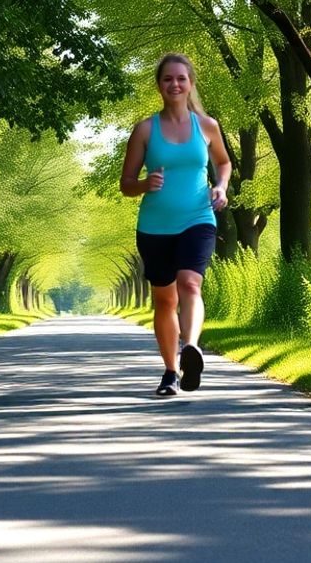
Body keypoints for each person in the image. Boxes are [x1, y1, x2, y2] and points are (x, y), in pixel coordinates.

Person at [120, 53, 231, 397]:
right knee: (165, 301)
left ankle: (191, 348)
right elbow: (125, 184)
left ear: (190, 83)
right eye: (168, 79)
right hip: (155, 227)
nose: (175, 84)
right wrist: (144, 184)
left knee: (191, 284)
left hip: (198, 218)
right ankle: (170, 372)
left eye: (181, 78)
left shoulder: (207, 126)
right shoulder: (145, 130)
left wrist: (220, 186)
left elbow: (224, 162)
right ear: (159, 85)